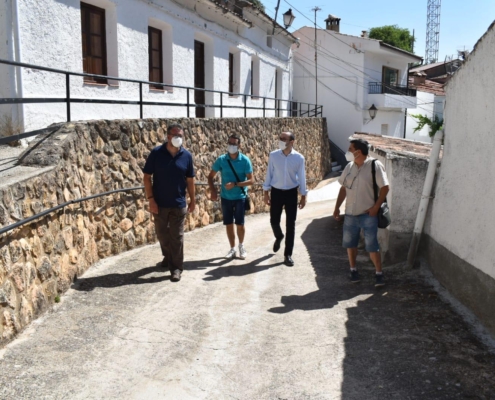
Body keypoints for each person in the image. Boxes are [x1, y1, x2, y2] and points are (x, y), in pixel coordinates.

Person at [143, 123, 196, 282]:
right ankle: (168, 256)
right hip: (159, 203)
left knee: (177, 236)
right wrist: (151, 199)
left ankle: (176, 268)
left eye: (180, 135)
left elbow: (190, 179)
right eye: (175, 135)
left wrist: (193, 199)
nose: (178, 138)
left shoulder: (186, 156)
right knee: (162, 234)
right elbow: (147, 177)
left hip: (179, 204)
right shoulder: (156, 153)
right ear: (167, 137)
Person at [333, 138, 389, 287]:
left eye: (351, 149)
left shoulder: (375, 166)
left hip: (368, 214)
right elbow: (343, 188)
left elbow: (385, 188)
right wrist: (337, 207)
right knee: (350, 244)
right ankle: (353, 270)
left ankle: (379, 274)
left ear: (359, 151)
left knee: (372, 245)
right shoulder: (349, 167)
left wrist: (376, 207)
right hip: (350, 213)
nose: (348, 151)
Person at [263, 131, 307, 266]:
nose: (281, 140)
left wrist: (303, 195)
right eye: (280, 138)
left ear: (292, 142)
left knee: (291, 225)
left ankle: (288, 254)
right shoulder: (273, 155)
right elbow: (269, 173)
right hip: (276, 192)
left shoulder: (299, 158)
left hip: (291, 194)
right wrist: (266, 192)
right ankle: (279, 236)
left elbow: (302, 177)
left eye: (284, 139)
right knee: (274, 220)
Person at [208, 134, 254, 260]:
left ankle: (241, 246)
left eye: (234, 144)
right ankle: (232, 248)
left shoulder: (245, 160)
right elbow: (210, 176)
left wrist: (235, 184)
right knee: (228, 224)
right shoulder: (221, 160)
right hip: (225, 198)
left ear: (239, 145)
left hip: (240, 197)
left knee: (240, 224)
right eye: (230, 143)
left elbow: (251, 181)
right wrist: (213, 191)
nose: (231, 146)